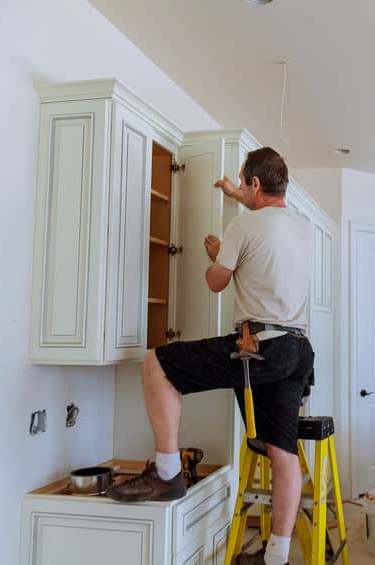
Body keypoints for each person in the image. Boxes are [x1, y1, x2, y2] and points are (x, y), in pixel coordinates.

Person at [107, 147, 313, 565]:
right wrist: (239, 196)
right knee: (282, 450)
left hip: (260, 346)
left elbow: (215, 282)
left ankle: (166, 475)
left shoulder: (243, 227)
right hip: (298, 349)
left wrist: (219, 255)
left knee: (156, 364)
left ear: (255, 183)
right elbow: (265, 221)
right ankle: (277, 557)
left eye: (244, 183)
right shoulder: (302, 227)